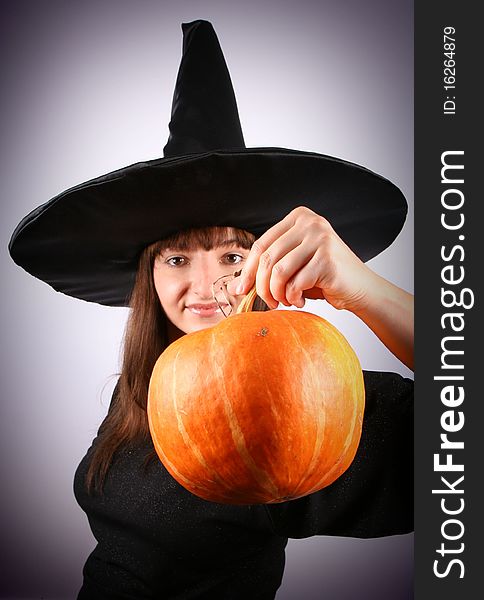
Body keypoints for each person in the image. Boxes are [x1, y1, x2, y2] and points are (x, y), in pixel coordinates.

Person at [9, 20, 413, 600]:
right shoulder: (145, 381)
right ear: (148, 277)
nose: (206, 285)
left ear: (266, 261)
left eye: (231, 254)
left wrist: (365, 290)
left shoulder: (297, 402)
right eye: (176, 259)